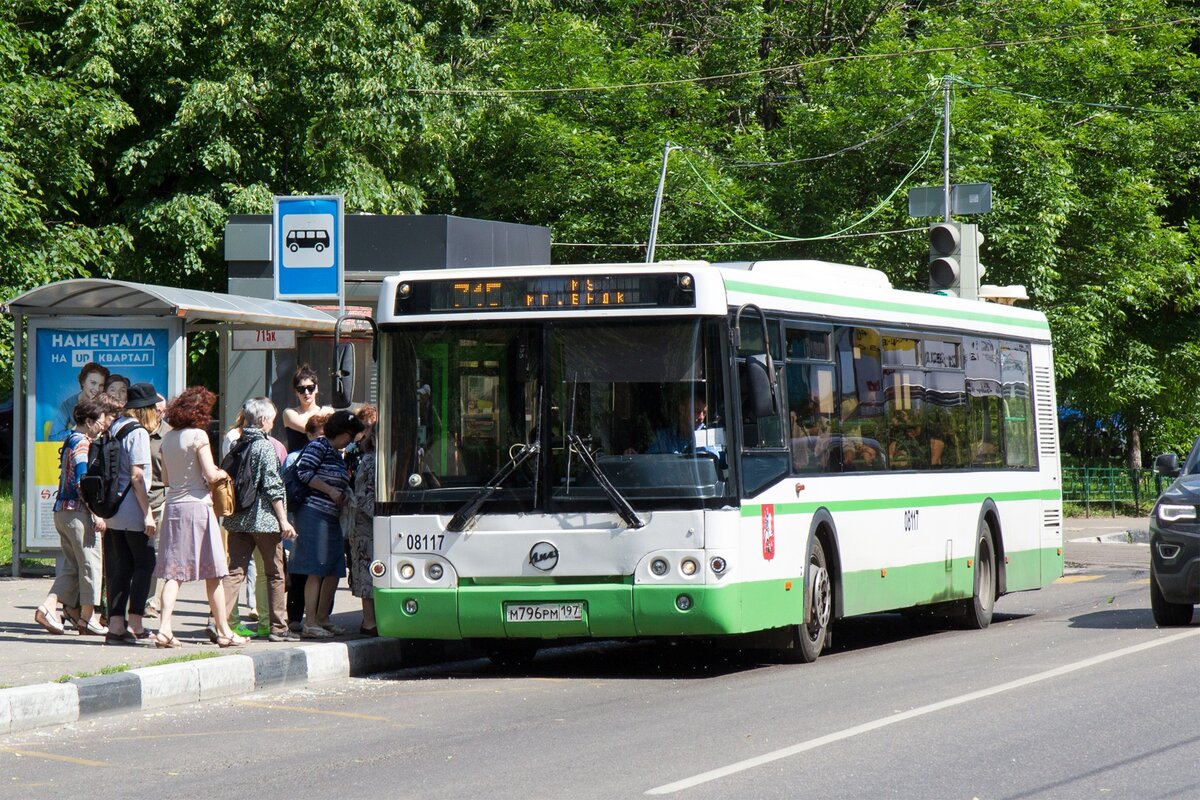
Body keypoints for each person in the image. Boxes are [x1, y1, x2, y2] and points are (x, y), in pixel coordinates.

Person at [152, 386, 244, 648]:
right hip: (198, 507)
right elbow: (211, 475)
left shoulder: (168, 439)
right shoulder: (198, 436)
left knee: (173, 573)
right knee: (214, 572)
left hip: (174, 507)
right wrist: (225, 474)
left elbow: (167, 479)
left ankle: (164, 629)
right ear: (201, 411)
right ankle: (224, 631)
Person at [220, 397, 298, 643]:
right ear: (263, 420)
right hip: (264, 521)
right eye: (272, 420)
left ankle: (221, 624)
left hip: (237, 520)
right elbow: (273, 487)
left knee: (234, 573)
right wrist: (284, 521)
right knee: (275, 573)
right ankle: (278, 627)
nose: (272, 424)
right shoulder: (264, 446)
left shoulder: (238, 442)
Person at [34, 397, 111, 636]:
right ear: (88, 421)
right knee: (90, 564)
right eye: (99, 421)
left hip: (62, 511)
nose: (103, 426)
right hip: (77, 511)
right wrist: (95, 513)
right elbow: (82, 482)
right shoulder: (82, 444)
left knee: (72, 567)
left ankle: (48, 608)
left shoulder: (69, 439)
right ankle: (87, 618)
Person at [290, 409, 364, 638]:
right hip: (313, 513)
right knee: (315, 568)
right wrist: (331, 491)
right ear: (340, 431)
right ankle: (310, 621)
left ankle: (322, 618)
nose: (350, 441)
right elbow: (304, 472)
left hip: (331, 515)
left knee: (333, 568)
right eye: (349, 436)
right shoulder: (319, 446)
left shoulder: (335, 452)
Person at [100, 382, 158, 645]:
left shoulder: (114, 426)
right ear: (146, 409)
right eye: (154, 407)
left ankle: (115, 625)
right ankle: (135, 623)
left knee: (120, 567)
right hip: (132, 508)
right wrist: (148, 513)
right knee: (145, 563)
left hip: (112, 508)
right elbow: (137, 476)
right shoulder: (139, 433)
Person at [284, 412, 328, 631]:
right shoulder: (294, 457)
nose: (322, 439)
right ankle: (295, 617)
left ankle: (320, 616)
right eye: (318, 435)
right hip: (301, 515)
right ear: (309, 435)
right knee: (300, 567)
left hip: (323, 517)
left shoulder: (331, 455)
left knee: (320, 569)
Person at [343, 421, 377, 635]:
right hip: (366, 525)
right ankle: (369, 622)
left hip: (378, 523)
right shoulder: (369, 461)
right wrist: (383, 515)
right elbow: (362, 495)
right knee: (366, 569)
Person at [144, 393, 169, 619]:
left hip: (160, 499)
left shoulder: (168, 435)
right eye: (154, 410)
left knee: (157, 552)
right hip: (136, 500)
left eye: (161, 411)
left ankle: (152, 601)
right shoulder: (138, 431)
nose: (158, 414)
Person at [50, 362, 109, 441]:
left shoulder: (106, 403)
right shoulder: (68, 405)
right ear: (82, 381)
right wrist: (77, 429)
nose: (97, 389)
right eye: (93, 383)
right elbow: (53, 438)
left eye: (101, 385)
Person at [282, 364, 332, 453]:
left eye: (310, 388)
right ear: (296, 392)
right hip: (298, 462)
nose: (306, 392)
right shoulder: (289, 413)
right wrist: (323, 414)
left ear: (316, 388)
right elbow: (308, 428)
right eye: (301, 389)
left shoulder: (327, 411)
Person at [645, 392, 709, 455]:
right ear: (682, 409)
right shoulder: (664, 437)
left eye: (704, 413)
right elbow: (651, 461)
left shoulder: (708, 436)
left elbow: (714, 461)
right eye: (696, 411)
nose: (701, 417)